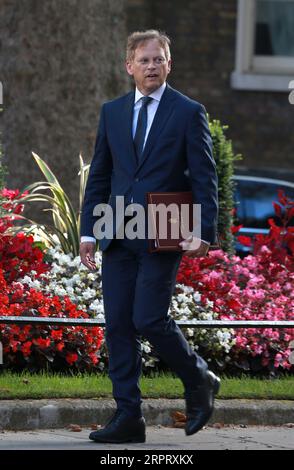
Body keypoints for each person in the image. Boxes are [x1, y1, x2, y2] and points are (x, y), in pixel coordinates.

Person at [79, 29, 220, 444]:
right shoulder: (113, 111)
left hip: (165, 230)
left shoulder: (188, 111)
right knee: (119, 325)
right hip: (118, 230)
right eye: (144, 60)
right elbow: (101, 174)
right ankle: (128, 417)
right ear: (129, 67)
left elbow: (205, 176)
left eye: (159, 59)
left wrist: (204, 230)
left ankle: (198, 379)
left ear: (169, 64)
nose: (152, 66)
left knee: (148, 318)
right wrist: (89, 231)